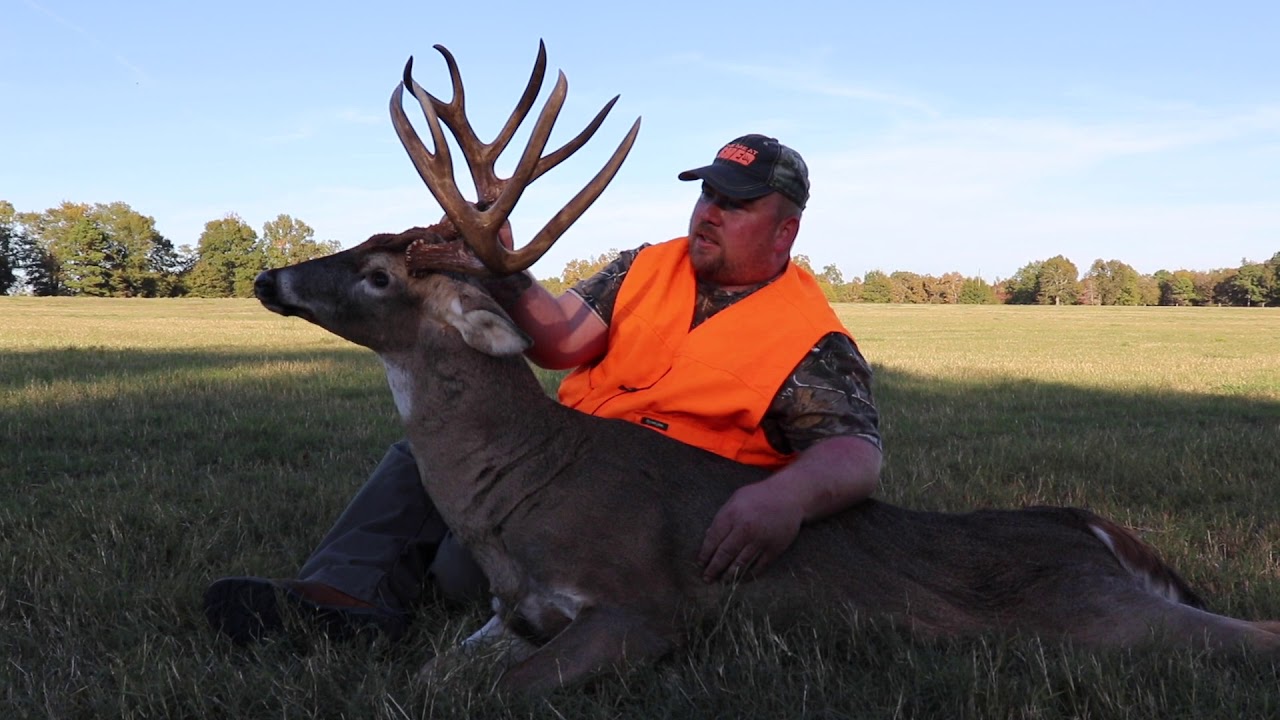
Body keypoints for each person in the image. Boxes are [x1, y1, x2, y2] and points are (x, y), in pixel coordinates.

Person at [204, 134, 884, 643]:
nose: (709, 212)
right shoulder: (646, 267)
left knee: (458, 574)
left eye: (735, 204)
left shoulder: (811, 337)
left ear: (785, 228)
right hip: (565, 462)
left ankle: (454, 586)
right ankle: (335, 599)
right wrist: (501, 272)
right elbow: (562, 341)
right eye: (707, 193)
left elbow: (854, 455)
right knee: (437, 445)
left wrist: (784, 498)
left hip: (652, 518)